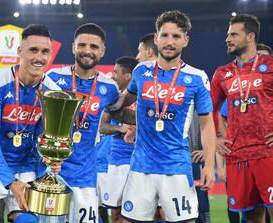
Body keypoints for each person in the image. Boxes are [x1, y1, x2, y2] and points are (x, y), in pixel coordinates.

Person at [110, 10, 216, 223]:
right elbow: (126, 99)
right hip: (141, 166)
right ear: (156, 39)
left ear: (185, 40)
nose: (170, 41)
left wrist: (210, 165)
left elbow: (207, 125)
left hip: (176, 167)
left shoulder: (197, 77)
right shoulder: (141, 71)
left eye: (176, 36)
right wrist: (111, 102)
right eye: (165, 35)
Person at [0, 24, 61, 223]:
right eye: (33, 50)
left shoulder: (51, 90)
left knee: (28, 221)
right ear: (20, 52)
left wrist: (50, 158)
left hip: (24, 165)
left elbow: (44, 138)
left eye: (45, 51)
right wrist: (10, 181)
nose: (39, 57)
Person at [46, 23, 120, 223]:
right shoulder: (52, 79)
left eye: (94, 47)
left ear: (102, 51)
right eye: (82, 45)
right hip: (51, 174)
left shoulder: (109, 87)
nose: (87, 51)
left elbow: (120, 113)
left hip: (86, 177)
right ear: (73, 47)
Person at [211, 13, 273, 223]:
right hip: (237, 155)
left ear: (250, 37)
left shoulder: (270, 65)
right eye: (228, 34)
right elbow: (209, 108)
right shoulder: (222, 73)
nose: (227, 39)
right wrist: (217, 137)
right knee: (252, 216)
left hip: (268, 152)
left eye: (234, 35)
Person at [99, 56, 138, 223]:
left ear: (128, 76)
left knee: (145, 214)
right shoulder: (114, 99)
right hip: (116, 161)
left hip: (139, 162)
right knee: (115, 215)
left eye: (116, 72)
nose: (112, 75)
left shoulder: (145, 95)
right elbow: (102, 126)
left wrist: (138, 128)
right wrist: (119, 128)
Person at [189, 112, 211, 223]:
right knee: (170, 207)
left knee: (201, 206)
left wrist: (206, 151)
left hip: (195, 161)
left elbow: (210, 128)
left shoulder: (199, 103)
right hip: (173, 162)